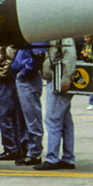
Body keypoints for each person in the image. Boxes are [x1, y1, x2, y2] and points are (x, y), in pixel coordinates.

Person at [35, 36, 78, 170]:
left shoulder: (63, 34)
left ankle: (52, 158)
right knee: (65, 122)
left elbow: (70, 55)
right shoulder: (59, 34)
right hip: (58, 80)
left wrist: (66, 77)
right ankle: (68, 157)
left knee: (52, 119)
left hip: (58, 81)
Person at [12, 42, 47, 164]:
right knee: (26, 117)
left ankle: (35, 153)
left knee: (32, 117)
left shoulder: (36, 36)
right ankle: (29, 149)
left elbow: (39, 55)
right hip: (23, 75)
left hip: (28, 77)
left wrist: (26, 71)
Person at [0, 45, 25, 161]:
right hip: (11, 78)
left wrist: (3, 74)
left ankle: (10, 148)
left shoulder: (7, 42)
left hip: (6, 78)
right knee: (14, 115)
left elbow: (10, 57)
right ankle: (17, 147)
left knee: (4, 115)